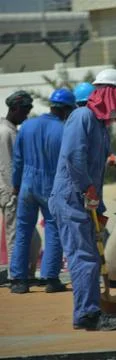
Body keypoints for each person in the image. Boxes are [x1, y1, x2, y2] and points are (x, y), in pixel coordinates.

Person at [48, 68, 116, 331]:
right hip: (71, 197)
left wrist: (100, 206)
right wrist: (88, 190)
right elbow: (75, 158)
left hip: (86, 199)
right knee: (84, 256)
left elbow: (97, 171)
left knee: (92, 256)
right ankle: (87, 315)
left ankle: (90, 309)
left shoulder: (101, 126)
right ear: (110, 93)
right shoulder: (82, 116)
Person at [10, 88, 76, 294]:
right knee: (54, 230)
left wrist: (16, 184)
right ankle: (50, 278)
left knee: (23, 232)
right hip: (51, 187)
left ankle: (19, 281)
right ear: (65, 109)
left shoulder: (27, 126)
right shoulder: (64, 130)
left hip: (27, 186)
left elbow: (17, 161)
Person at [0, 91, 41, 281]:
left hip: (20, 191)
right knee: (15, 236)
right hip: (11, 192)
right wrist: (13, 190)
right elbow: (7, 166)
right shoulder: (5, 132)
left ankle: (27, 274)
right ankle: (15, 276)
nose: (27, 114)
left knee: (32, 239)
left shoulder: (13, 130)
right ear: (14, 108)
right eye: (25, 110)